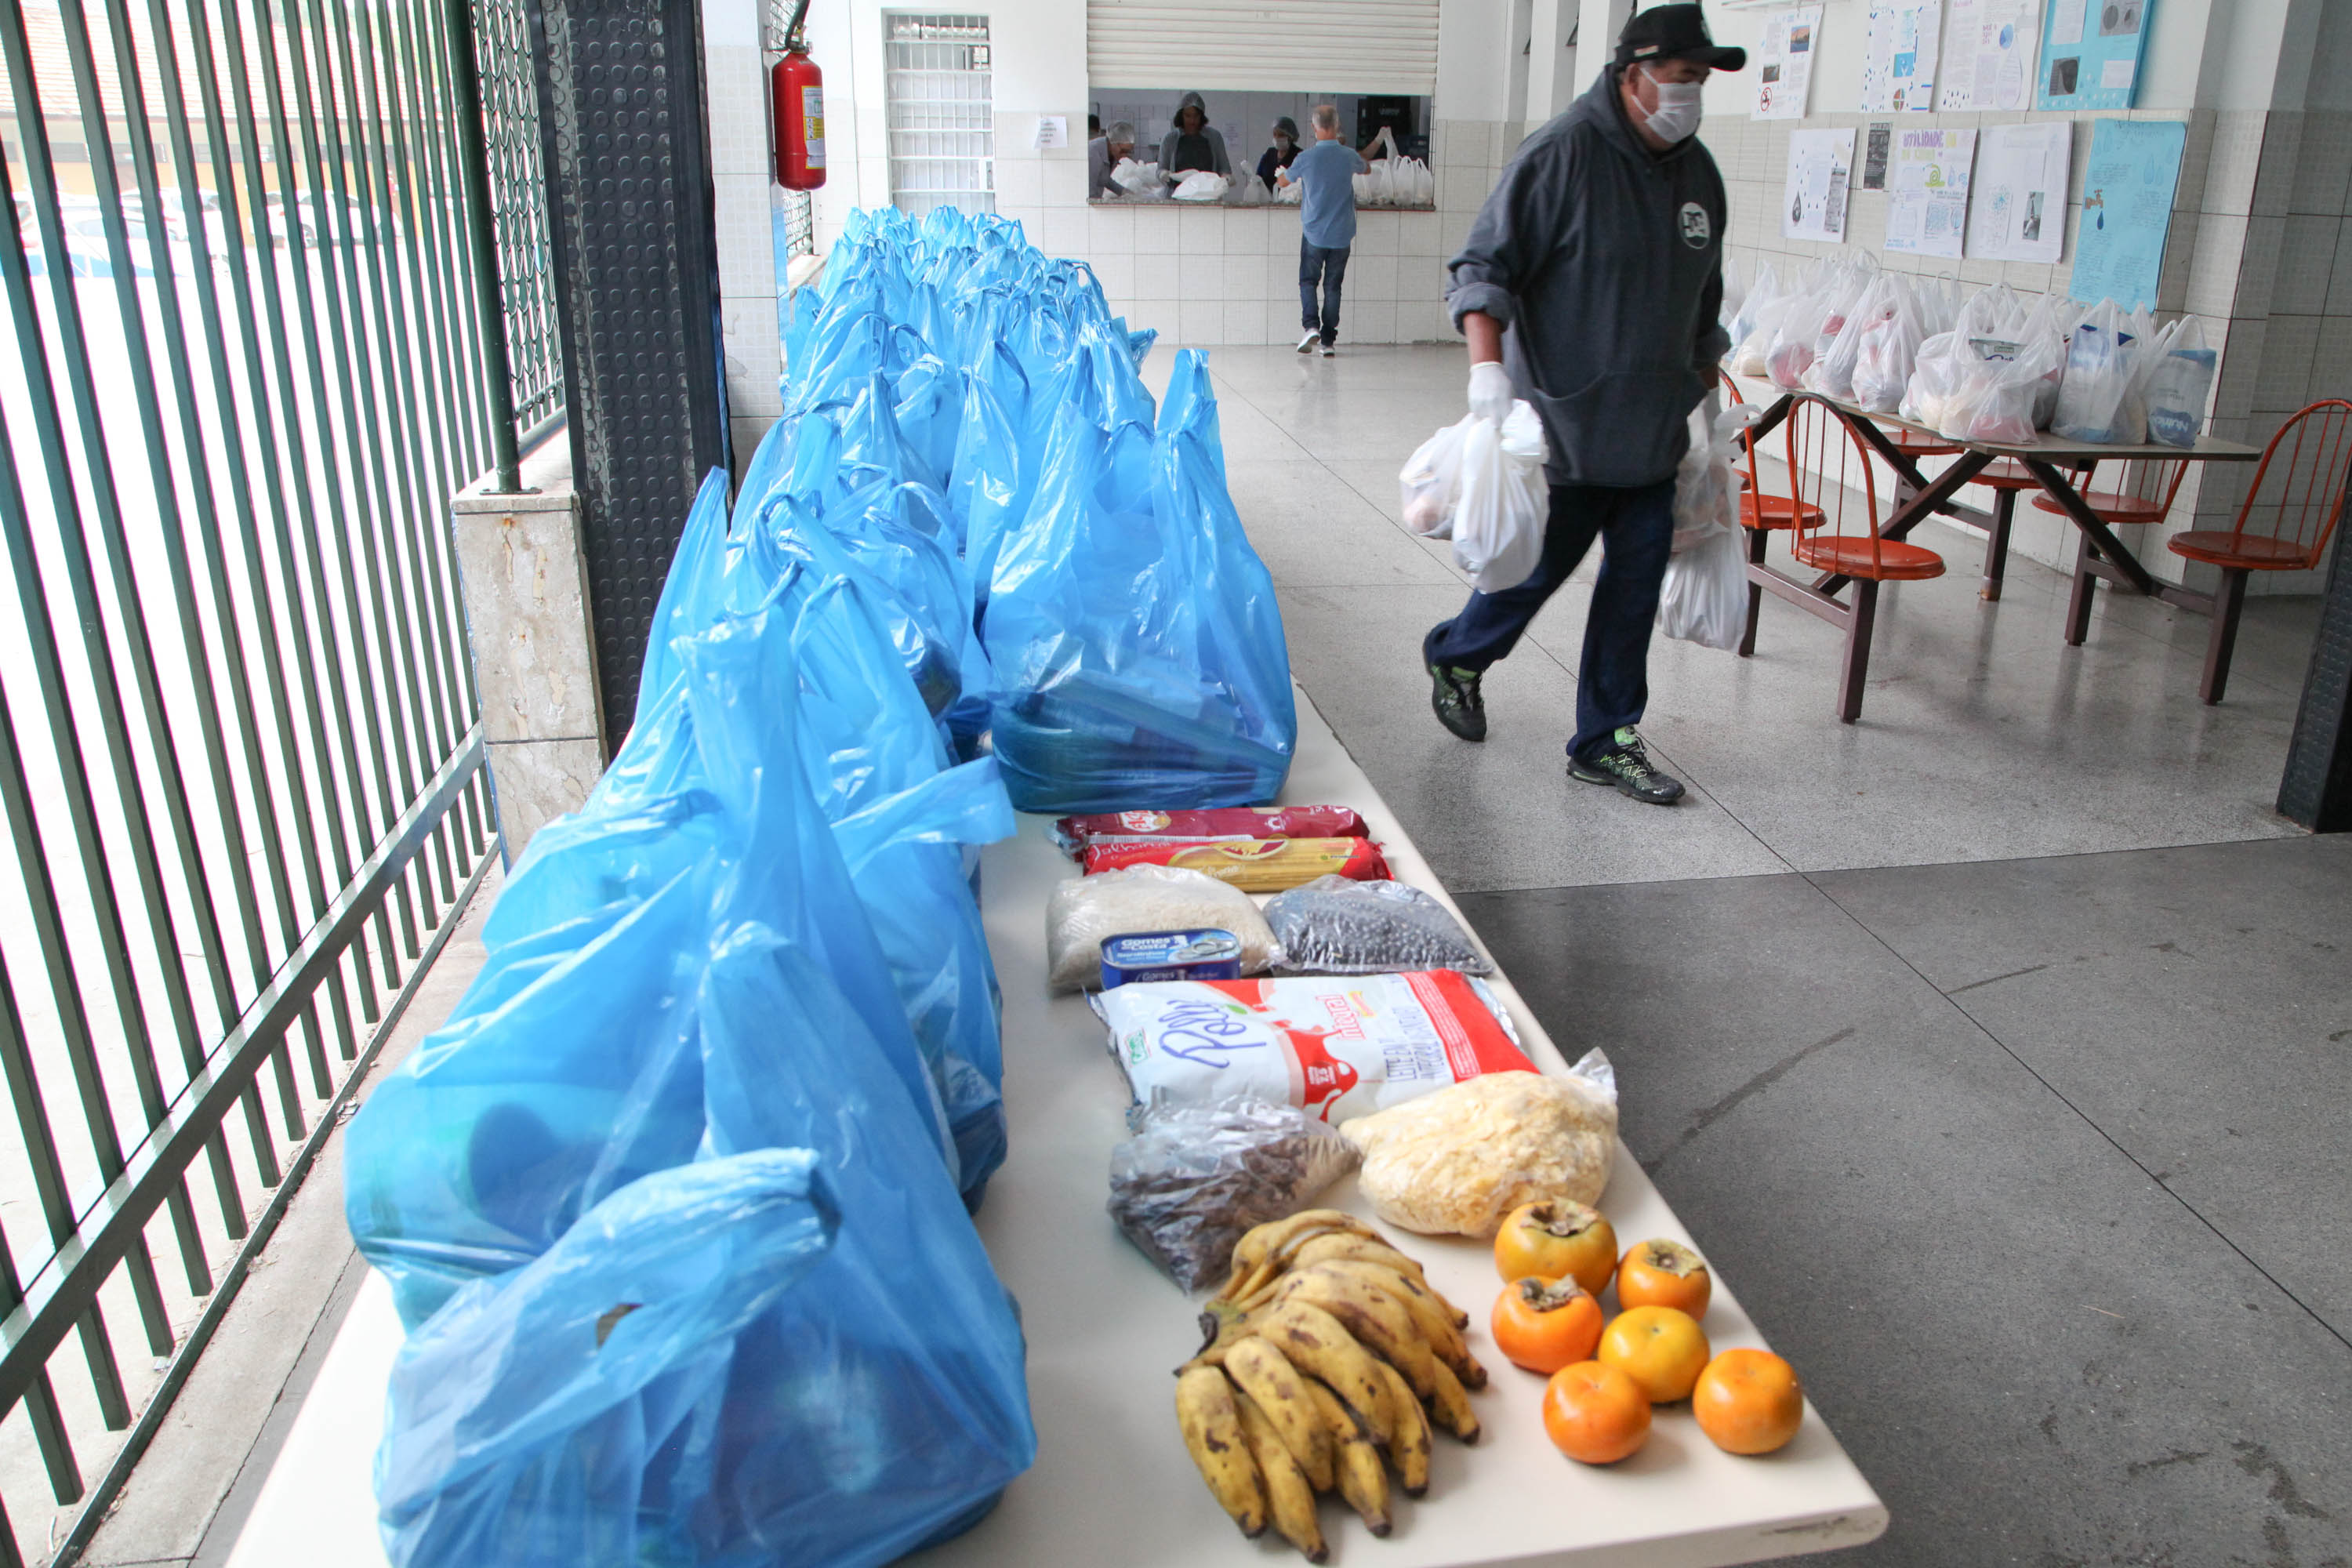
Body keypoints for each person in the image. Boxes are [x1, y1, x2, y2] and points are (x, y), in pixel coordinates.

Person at [1420, 2, 1741, 806]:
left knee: (1632, 592)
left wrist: (1706, 416)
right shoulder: (1561, 155)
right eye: (1680, 78)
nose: (1690, 96)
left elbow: (1703, 302)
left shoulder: (1698, 174)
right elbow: (1482, 267)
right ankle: (1459, 656)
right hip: (1562, 428)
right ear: (1632, 76)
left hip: (1655, 433)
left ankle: (1605, 738)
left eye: (1700, 81)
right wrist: (1487, 371)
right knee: (1527, 575)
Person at [1278, 105, 1384, 356]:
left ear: (1314, 128)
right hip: (1341, 234)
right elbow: (1366, 169)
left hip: (1314, 233)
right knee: (1333, 287)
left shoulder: (1305, 158)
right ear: (1336, 127)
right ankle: (1328, 342)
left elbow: (1282, 182)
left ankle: (1311, 326)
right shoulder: (1347, 155)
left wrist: (1289, 174)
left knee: (1308, 281)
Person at [1158, 92, 1232, 180]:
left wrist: (1226, 177)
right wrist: (1163, 174)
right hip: (1178, 191)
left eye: (1196, 116)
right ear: (1181, 116)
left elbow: (1225, 168)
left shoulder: (1214, 137)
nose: (1192, 121)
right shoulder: (1170, 139)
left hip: (1207, 192)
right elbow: (1161, 169)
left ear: (1201, 116)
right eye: (1188, 116)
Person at [1090, 120, 1138, 199]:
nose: (1125, 156)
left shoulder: (1113, 154)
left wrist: (1123, 191)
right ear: (1112, 143)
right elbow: (1088, 193)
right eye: (1123, 151)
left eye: (1129, 152)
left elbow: (1104, 179)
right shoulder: (1093, 155)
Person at [1256, 117, 1301, 190]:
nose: (1277, 138)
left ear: (1290, 137)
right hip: (1267, 199)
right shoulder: (1269, 153)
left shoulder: (1299, 156)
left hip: (1289, 199)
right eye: (1275, 134)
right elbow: (1258, 176)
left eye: (1281, 135)